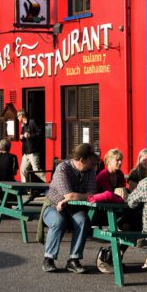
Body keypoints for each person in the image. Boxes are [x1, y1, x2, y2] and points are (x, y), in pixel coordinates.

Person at [42, 143, 98, 273]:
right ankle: (48, 259)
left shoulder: (90, 171)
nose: (93, 164)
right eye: (91, 161)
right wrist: (71, 197)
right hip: (53, 206)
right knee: (58, 221)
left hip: (74, 208)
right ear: (82, 160)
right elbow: (69, 194)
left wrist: (72, 198)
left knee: (83, 220)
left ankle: (74, 260)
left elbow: (92, 194)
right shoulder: (63, 168)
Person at [17, 110, 44, 182]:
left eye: (18, 116)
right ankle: (24, 188)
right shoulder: (23, 126)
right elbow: (24, 139)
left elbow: (40, 133)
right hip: (26, 153)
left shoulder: (32, 122)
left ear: (22, 116)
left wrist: (30, 135)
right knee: (23, 169)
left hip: (33, 152)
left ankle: (50, 183)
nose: (17, 118)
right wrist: (21, 137)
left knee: (37, 170)